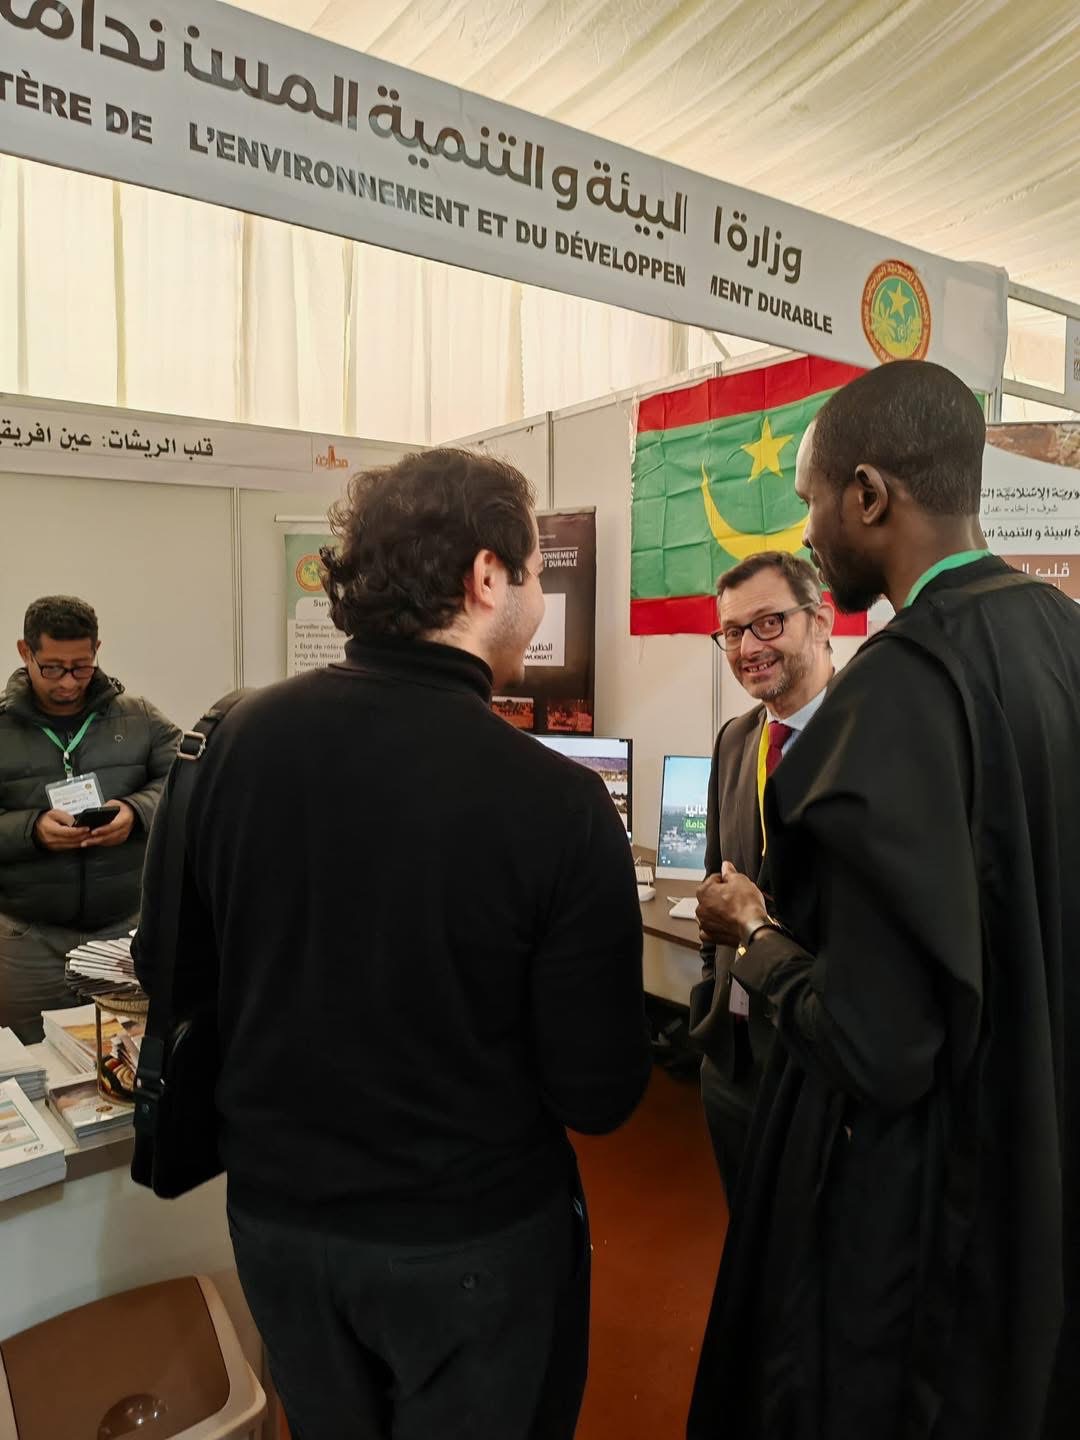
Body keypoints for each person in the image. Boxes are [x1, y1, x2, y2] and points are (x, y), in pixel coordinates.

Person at [134, 448, 651, 1440]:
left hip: (277, 1222)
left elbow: (166, 965)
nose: (539, 601)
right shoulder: (557, 803)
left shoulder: (227, 743)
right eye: (535, 574)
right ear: (487, 576)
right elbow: (600, 1093)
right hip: (468, 1241)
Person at [688, 360, 1079, 1440]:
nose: (808, 529)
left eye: (810, 499)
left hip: (925, 1214)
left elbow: (875, 1043)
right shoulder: (1064, 637)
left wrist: (756, 936)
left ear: (867, 495)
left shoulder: (898, 690)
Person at [689, 546, 834, 1201]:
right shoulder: (735, 738)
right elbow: (715, 888)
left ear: (820, 620)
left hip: (820, 1065)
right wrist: (709, 1005)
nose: (748, 647)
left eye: (768, 623)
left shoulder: (869, 739)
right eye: (732, 632)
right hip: (735, 1059)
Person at [0, 596, 180, 1041]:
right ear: (25, 652)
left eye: (81, 667)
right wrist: (31, 830)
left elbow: (188, 778)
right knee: (32, 1063)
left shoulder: (139, 718)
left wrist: (136, 811)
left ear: (97, 649)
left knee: (125, 1055)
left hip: (123, 934)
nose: (68, 682)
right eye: (52, 668)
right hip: (27, 942)